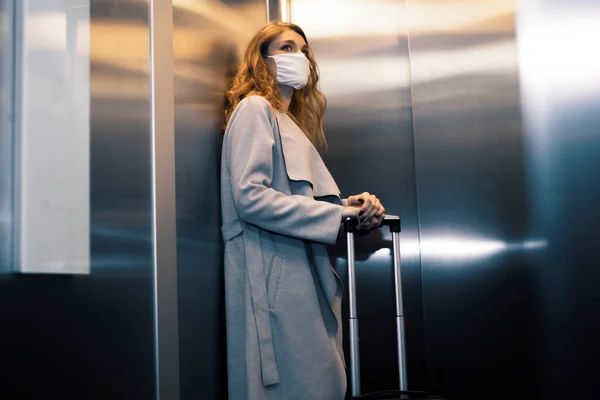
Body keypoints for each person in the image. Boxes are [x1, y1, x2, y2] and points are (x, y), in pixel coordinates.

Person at [220, 22, 386, 400]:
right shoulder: (254, 109)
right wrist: (337, 217)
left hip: (301, 275)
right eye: (287, 48)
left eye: (304, 50)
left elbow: (298, 201)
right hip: (273, 280)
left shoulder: (288, 124)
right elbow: (250, 197)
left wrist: (350, 207)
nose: (300, 57)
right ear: (262, 60)